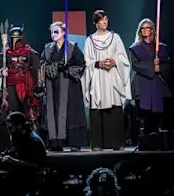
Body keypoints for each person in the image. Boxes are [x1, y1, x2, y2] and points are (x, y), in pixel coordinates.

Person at [81, 10, 131, 151]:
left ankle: (117, 142)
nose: (104, 22)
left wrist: (115, 62)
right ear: (96, 22)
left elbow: (123, 58)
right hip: (98, 77)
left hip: (112, 77)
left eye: (106, 19)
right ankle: (97, 144)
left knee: (114, 108)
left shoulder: (115, 38)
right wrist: (98, 63)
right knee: (97, 108)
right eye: (101, 20)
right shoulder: (90, 40)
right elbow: (86, 62)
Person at [40, 21, 89, 150]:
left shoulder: (72, 48)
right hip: (53, 86)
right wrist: (55, 67)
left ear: (63, 33)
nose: (53, 34)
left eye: (56, 31)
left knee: (71, 114)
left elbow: (81, 65)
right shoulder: (47, 49)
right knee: (54, 114)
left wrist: (68, 70)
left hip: (70, 86)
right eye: (52, 32)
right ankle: (56, 144)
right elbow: (42, 66)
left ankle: (74, 143)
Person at [0, 25, 43, 125]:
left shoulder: (30, 52)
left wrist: (39, 86)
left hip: (27, 87)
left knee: (29, 116)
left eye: (17, 39)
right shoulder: (6, 54)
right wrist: (1, 72)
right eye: (13, 39)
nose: (15, 42)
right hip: (11, 87)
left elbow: (38, 70)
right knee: (13, 115)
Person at [128, 18, 171, 135]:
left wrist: (159, 68)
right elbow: (136, 65)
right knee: (144, 113)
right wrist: (153, 67)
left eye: (148, 28)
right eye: (143, 28)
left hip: (157, 83)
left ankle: (157, 136)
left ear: (152, 30)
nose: (145, 30)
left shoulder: (160, 47)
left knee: (157, 113)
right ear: (140, 31)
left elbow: (166, 64)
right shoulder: (135, 48)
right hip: (143, 83)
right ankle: (145, 137)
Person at [1, 112, 47, 196]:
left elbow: (38, 164)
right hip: (16, 178)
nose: (9, 131)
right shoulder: (17, 137)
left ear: (19, 126)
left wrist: (14, 161)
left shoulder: (33, 141)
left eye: (11, 127)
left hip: (28, 181)